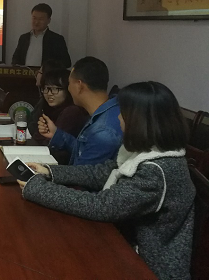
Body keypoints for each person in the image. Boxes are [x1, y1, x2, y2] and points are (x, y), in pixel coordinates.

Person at [19, 81, 195, 280]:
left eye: (123, 113)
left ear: (139, 120)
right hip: (128, 247)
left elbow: (102, 206)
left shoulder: (158, 171)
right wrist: (51, 172)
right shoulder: (148, 150)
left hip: (150, 268)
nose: (118, 117)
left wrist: (38, 188)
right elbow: (101, 173)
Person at [38, 57, 122, 165]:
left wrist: (46, 171)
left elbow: (81, 173)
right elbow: (84, 150)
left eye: (69, 83)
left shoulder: (103, 131)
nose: (69, 89)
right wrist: (56, 134)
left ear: (79, 85)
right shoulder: (109, 110)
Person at [29, 69, 89, 141]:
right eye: (46, 88)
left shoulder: (72, 112)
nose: (49, 93)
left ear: (68, 90)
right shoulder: (47, 108)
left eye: (55, 89)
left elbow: (52, 143)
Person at [11, 3, 71, 68]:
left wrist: (48, 67)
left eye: (40, 19)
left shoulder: (56, 39)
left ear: (49, 20)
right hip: (25, 73)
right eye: (34, 18)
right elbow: (15, 60)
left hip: (45, 74)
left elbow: (66, 62)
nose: (36, 22)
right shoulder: (24, 38)